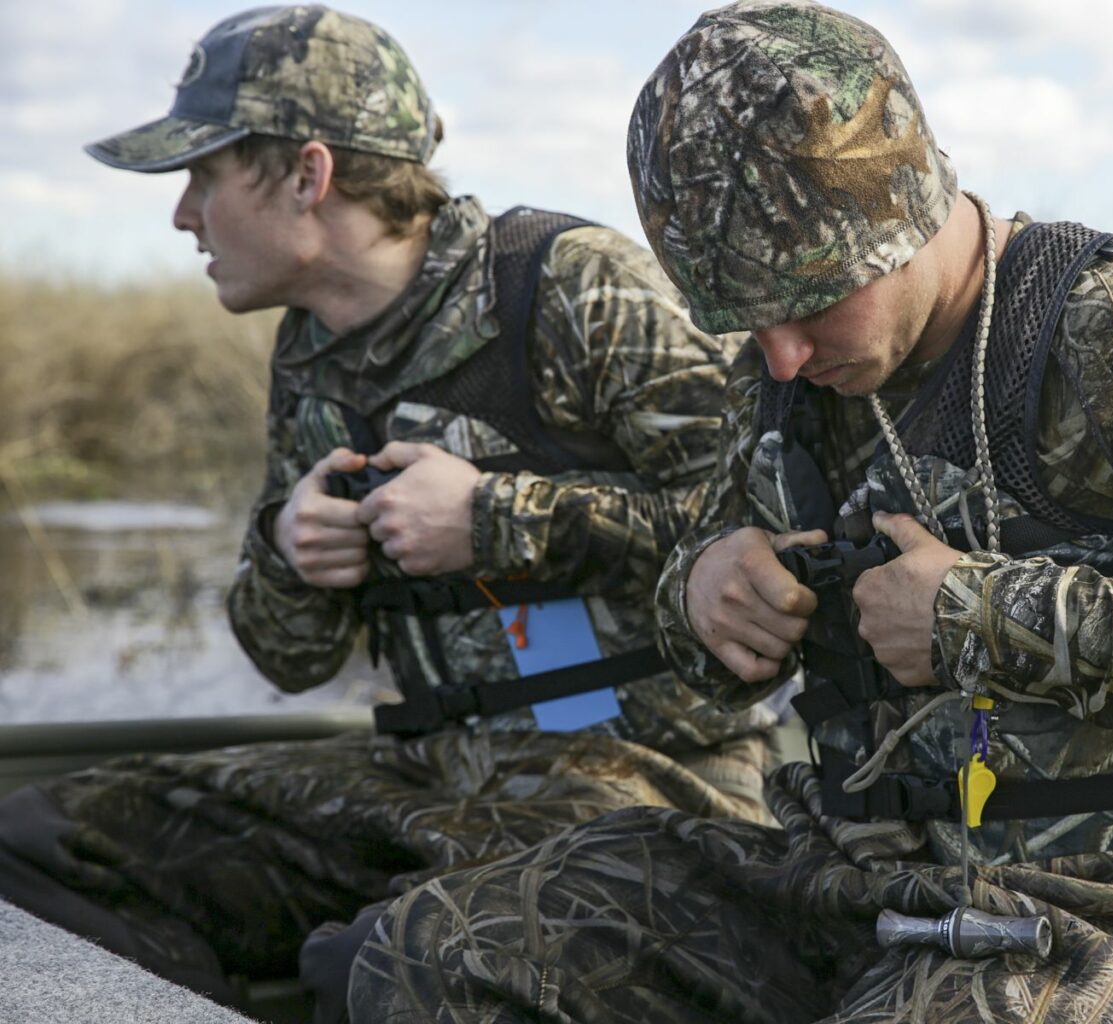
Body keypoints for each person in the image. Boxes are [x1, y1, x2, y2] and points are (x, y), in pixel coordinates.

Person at [349, 1, 1113, 1022]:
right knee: (435, 948)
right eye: (741, 314)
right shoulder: (788, 370)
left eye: (806, 303)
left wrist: (977, 615)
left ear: (906, 210)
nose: (776, 351)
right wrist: (703, 594)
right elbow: (695, 629)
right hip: (859, 880)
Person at [0, 5, 781, 1018]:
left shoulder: (574, 286)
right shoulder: (307, 351)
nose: (182, 216)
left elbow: (764, 534)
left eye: (202, 174)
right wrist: (291, 555)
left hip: (647, 783)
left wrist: (498, 518)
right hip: (426, 776)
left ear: (307, 176)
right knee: (45, 840)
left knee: (384, 960)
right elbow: (290, 660)